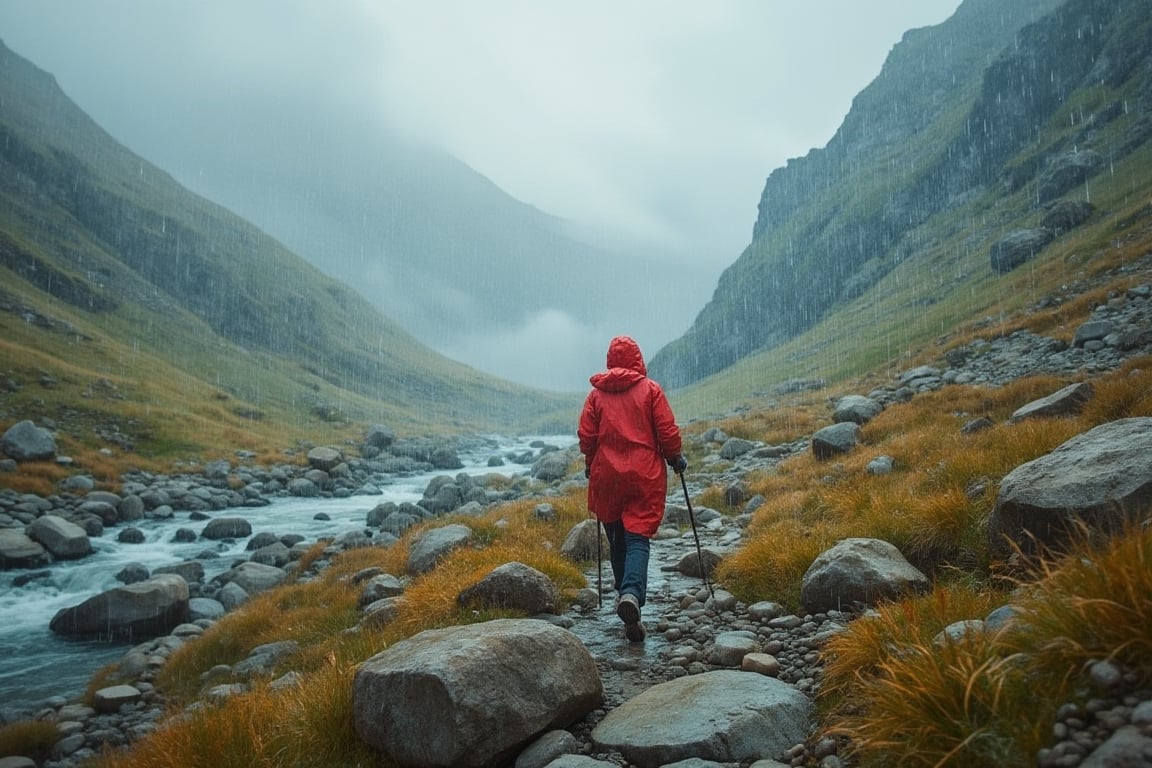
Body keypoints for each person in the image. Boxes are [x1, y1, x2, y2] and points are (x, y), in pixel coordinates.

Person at [578, 335, 686, 642]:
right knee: (637, 537)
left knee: (616, 539)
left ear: (610, 361)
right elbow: (666, 429)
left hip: (607, 475)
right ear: (638, 359)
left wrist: (590, 462)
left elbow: (587, 436)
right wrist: (675, 457)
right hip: (644, 474)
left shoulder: (596, 396)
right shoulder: (650, 390)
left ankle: (626, 600)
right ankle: (631, 594)